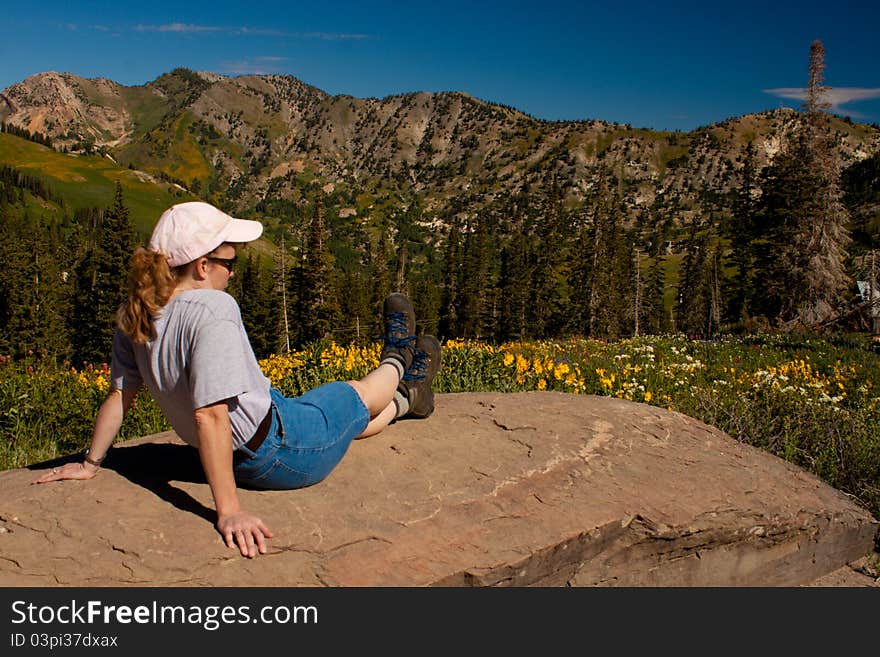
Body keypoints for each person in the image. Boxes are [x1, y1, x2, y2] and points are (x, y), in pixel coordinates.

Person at [34, 201, 442, 559]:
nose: (232, 273)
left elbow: (119, 395)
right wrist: (228, 511)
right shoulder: (213, 308)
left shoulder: (138, 311)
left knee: (349, 425)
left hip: (250, 444)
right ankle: (398, 357)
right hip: (283, 448)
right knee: (354, 393)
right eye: (230, 263)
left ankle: (408, 399)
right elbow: (210, 416)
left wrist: (91, 463)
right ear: (202, 266)